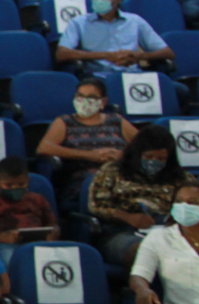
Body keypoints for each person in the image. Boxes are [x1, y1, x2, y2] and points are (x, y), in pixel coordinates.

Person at [87, 124, 190, 267]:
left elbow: (197, 203)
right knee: (144, 252)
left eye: (161, 158)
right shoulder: (113, 170)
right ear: (137, 153)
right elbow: (96, 205)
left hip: (168, 230)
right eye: (149, 156)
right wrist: (128, 217)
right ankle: (138, 288)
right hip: (123, 231)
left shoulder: (180, 177)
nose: (154, 161)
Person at [36, 75, 139, 209]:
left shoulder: (116, 120)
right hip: (83, 181)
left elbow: (145, 145)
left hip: (121, 174)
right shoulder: (65, 122)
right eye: (80, 96)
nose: (84, 101)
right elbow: (44, 148)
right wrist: (90, 155)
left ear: (103, 102)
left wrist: (122, 155)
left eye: (91, 97)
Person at [54, 0, 174, 76]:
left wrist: (140, 56)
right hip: (97, 77)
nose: (98, 0)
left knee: (178, 90)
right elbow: (62, 54)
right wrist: (105, 55)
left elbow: (167, 53)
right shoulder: (79, 22)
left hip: (132, 75)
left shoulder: (134, 20)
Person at [0, 156, 59, 265]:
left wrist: (53, 233)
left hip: (38, 243)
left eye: (21, 184)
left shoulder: (38, 199)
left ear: (28, 181)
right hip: (5, 244)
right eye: (8, 185)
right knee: (8, 257)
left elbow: (53, 224)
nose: (15, 188)